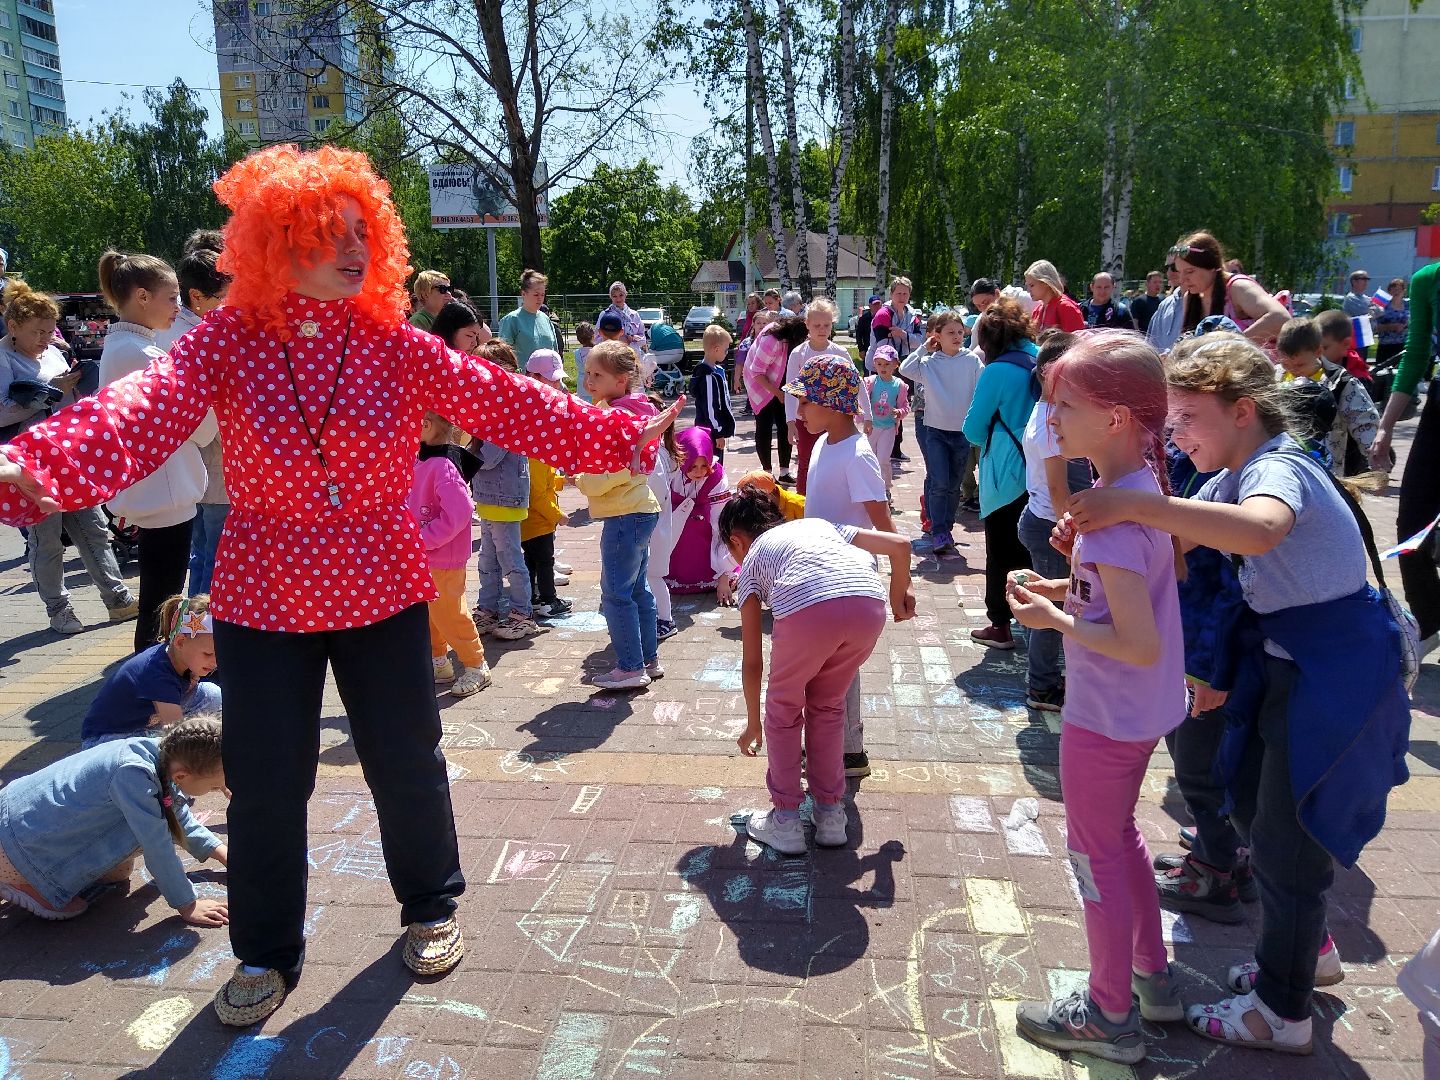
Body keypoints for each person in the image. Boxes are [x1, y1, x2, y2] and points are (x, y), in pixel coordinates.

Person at [0, 144, 679, 1025]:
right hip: (265, 593)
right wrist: (34, 462)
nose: (354, 249)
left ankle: (430, 905)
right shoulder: (225, 342)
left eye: (364, 233)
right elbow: (136, 410)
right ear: (279, 243)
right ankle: (266, 952)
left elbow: (508, 400)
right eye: (329, 234)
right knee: (267, 777)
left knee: (405, 762)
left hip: (383, 583)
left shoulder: (397, 344)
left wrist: (610, 436)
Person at [1065, 331, 1410, 1055]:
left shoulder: (1280, 470)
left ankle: (1282, 1012)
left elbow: (1256, 533)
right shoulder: (1229, 473)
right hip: (1288, 663)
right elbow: (1169, 547)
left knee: (1290, 838)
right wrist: (1089, 532)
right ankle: (1305, 952)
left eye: (1188, 419)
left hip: (1338, 670)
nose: (1175, 434)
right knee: (1257, 808)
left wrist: (1137, 511)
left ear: (1244, 411)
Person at [1006, 330, 1186, 1067]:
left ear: (1115, 418)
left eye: (1064, 406)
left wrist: (1054, 619)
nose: (1053, 420)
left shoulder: (1113, 515)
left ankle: (1109, 1011)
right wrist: (1064, 588)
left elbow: (1135, 642)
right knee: (1120, 841)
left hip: (1106, 712)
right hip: (1134, 711)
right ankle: (1152, 979)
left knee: (1093, 855)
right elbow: (1123, 605)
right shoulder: (1135, 495)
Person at [726, 491, 914, 854]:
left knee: (781, 710)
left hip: (809, 606)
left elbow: (753, 663)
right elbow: (901, 544)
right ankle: (830, 815)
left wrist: (754, 722)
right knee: (828, 706)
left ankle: (785, 821)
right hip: (866, 605)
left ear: (737, 540)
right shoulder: (818, 525)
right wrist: (898, 592)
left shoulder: (751, 563)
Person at [0, 280, 137, 632]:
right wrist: (47, 394)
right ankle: (59, 610)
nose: (46, 338)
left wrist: (78, 388)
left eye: (49, 330)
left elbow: (68, 402)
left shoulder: (53, 352)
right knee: (46, 540)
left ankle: (118, 599)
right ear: (13, 327)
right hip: (26, 463)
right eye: (38, 332)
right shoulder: (2, 359)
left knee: (93, 528)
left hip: (66, 455)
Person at [0, 716, 230, 924]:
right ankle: (26, 882)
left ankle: (42, 872)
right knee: (72, 907)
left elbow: (176, 815)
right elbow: (157, 845)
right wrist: (187, 904)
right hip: (14, 843)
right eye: (213, 786)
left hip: (18, 821)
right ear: (183, 775)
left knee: (118, 873)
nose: (217, 790)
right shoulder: (133, 774)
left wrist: (223, 854)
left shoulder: (160, 753)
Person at [97, 250, 216, 651]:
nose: (177, 308)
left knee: (161, 591)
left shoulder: (130, 347)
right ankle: (153, 679)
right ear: (143, 296)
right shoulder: (142, 354)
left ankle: (153, 676)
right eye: (171, 298)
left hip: (158, 486)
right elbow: (199, 426)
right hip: (163, 487)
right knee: (161, 598)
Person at [787, 353, 894, 781]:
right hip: (819, 574)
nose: (800, 411)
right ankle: (839, 746)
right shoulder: (824, 446)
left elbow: (881, 520)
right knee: (827, 668)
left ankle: (849, 750)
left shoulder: (856, 454)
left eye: (807, 402)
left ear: (832, 404)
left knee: (839, 670)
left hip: (847, 578)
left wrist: (898, 578)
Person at [575, 339, 667, 690]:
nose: (589, 380)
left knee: (616, 594)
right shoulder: (634, 408)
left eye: (597, 374)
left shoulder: (615, 417)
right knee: (638, 590)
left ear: (622, 379)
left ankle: (631, 667)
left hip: (624, 514)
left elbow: (607, 476)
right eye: (586, 372)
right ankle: (647, 658)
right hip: (640, 510)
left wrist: (580, 480)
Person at [961, 298, 1042, 648]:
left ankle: (1000, 625)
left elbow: (973, 428)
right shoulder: (1045, 357)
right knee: (1037, 549)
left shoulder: (997, 370)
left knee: (1001, 551)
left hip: (1007, 472)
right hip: (1046, 470)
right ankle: (1039, 620)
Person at [1015, 331, 1088, 713]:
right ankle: (1041, 686)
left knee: (1048, 602)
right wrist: (1076, 535)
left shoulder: (1047, 411)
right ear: (1049, 372)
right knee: (1048, 610)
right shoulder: (1050, 422)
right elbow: (1059, 489)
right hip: (1049, 524)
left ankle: (1043, 677)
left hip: (1045, 519)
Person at [158, 232, 233, 596]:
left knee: (203, 551)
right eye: (224, 297)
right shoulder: (194, 335)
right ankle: (202, 636)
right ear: (197, 296)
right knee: (215, 555)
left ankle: (190, 632)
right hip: (211, 457)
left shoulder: (184, 329)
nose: (229, 303)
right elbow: (199, 405)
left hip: (201, 460)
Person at [1372, 259, 1440, 652]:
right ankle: (1428, 620)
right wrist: (1386, 425)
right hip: (1438, 410)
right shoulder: (1428, 279)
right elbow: (1415, 354)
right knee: (1412, 519)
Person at [410, 411, 492, 697]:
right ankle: (438, 662)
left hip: (441, 557)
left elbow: (460, 511)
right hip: (423, 555)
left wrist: (424, 539)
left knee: (450, 613)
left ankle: (476, 665)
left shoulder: (442, 465)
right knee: (428, 613)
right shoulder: (421, 458)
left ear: (425, 425)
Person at [80, 593, 223, 748]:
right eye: (208, 654)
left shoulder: (178, 656)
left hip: (141, 721)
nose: (216, 662)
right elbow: (175, 735)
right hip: (105, 741)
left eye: (221, 654)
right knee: (172, 746)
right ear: (180, 642)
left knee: (212, 694)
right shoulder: (159, 675)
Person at [468, 340, 541, 642]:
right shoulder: (489, 409)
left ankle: (521, 613)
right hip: (488, 498)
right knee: (487, 558)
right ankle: (488, 609)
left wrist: (460, 459)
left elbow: (490, 457)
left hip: (504, 497)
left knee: (509, 557)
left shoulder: (504, 413)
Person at [900, 311, 982, 558]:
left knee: (954, 486)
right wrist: (924, 347)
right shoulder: (929, 363)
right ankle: (938, 531)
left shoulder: (971, 361)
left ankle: (947, 528)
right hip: (935, 430)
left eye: (960, 332)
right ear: (938, 337)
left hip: (961, 434)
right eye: (950, 333)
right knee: (939, 483)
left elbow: (982, 385)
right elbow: (905, 368)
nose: (957, 337)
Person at [1274, 317, 1378, 477]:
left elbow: (1365, 420)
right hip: (1282, 467)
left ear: (1318, 351)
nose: (1293, 370)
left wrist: (1374, 456)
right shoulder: (1275, 377)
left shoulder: (1340, 383)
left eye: (1300, 364)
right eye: (1286, 364)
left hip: (1327, 469)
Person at [786, 298, 859, 495]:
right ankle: (803, 504)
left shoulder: (840, 352)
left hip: (835, 419)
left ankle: (832, 500)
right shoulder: (798, 354)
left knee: (835, 461)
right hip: (806, 420)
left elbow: (855, 385)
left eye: (826, 325)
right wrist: (791, 421)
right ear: (807, 324)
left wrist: (865, 415)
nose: (822, 329)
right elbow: (792, 392)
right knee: (806, 462)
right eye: (816, 325)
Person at [521, 349, 573, 621]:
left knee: (533, 561)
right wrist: (558, 515)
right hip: (538, 519)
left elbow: (543, 484)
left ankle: (534, 599)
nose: (556, 385)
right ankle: (546, 600)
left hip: (536, 517)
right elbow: (536, 493)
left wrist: (562, 480)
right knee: (542, 561)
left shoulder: (542, 451)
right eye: (550, 379)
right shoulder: (536, 451)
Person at [660, 425, 739, 601]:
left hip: (707, 533)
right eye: (692, 465)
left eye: (704, 465)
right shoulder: (669, 470)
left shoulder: (717, 476)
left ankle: (715, 572)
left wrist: (724, 575)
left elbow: (722, 525)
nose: (699, 471)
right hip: (673, 531)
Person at [1169, 232, 1288, 344]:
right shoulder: (1190, 297)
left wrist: (1233, 347)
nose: (1182, 279)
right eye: (1180, 272)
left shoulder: (1237, 287)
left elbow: (1281, 319)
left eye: (1190, 271)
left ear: (1211, 266)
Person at [743, 313, 806, 482]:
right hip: (759, 382)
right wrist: (778, 393)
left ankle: (784, 472)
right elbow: (756, 372)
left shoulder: (793, 341)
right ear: (793, 336)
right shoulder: (771, 340)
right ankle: (767, 473)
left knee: (786, 423)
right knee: (763, 425)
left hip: (781, 380)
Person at [864, 344, 909, 503]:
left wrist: (899, 412)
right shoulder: (870, 382)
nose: (883, 367)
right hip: (871, 427)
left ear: (896, 365)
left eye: (887, 364)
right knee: (868, 458)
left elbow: (905, 406)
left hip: (888, 427)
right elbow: (861, 401)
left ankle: (885, 489)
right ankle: (869, 488)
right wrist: (862, 417)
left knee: (883, 459)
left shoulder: (900, 385)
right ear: (874, 364)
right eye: (879, 363)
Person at [497, 268, 559, 372]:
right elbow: (503, 356)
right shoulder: (512, 320)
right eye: (536, 294)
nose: (540, 298)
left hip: (548, 382)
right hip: (523, 382)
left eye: (542, 295)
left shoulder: (545, 319)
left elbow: (555, 352)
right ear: (523, 294)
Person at [690, 324, 737, 460]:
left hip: (713, 428)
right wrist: (718, 432)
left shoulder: (716, 371)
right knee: (713, 463)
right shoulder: (708, 376)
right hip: (711, 431)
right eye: (725, 350)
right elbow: (711, 407)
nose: (726, 353)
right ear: (716, 349)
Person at [1315, 307, 1376, 390]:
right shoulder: (1313, 369)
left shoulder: (1358, 378)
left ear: (1345, 344)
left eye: (1324, 348)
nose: (1317, 353)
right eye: (1314, 348)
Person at [1372, 276, 1409, 406]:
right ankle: (1379, 401)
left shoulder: (1408, 304)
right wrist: (1392, 327)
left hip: (1402, 344)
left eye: (1400, 288)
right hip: (1386, 344)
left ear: (1404, 290)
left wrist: (1407, 325)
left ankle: (1396, 402)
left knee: (1399, 374)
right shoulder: (1382, 306)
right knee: (1381, 374)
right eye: (1394, 288)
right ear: (1389, 290)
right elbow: (1375, 327)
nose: (1397, 291)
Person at [1025, 260, 1085, 333]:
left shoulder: (1066, 307)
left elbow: (1077, 340)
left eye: (1032, 285)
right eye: (1027, 285)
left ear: (1046, 282)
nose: (1028, 290)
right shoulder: (1038, 310)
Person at [595, 281, 647, 358]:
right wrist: (617, 340)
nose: (618, 299)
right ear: (610, 296)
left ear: (625, 295)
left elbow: (643, 340)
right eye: (614, 296)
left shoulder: (634, 315)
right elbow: (596, 339)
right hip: (612, 356)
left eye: (621, 295)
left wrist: (630, 340)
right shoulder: (605, 315)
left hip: (633, 357)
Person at [1146, 258, 1187, 353]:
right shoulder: (1165, 304)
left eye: (1174, 267)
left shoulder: (1204, 302)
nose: (1169, 273)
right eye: (1166, 268)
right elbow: (1151, 342)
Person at [573, 321, 595, 402]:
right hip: (595, 383)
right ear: (593, 335)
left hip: (581, 385)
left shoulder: (576, 353)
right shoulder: (597, 352)